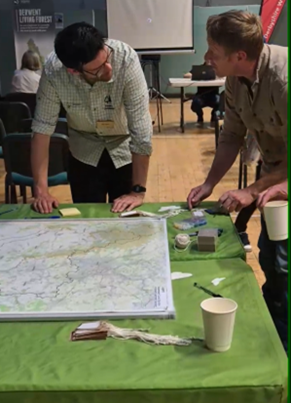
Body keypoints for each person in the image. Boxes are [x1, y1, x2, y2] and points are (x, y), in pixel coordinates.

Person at [187, 11, 288, 351]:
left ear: (239, 56)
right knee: (271, 257)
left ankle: (282, 349)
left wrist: (252, 189)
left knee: (285, 263)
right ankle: (272, 333)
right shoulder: (235, 79)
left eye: (213, 52)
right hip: (276, 171)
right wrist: (209, 183)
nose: (206, 59)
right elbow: (231, 136)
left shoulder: (284, 79)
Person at [31, 22, 152, 214]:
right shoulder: (54, 70)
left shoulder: (125, 58)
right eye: (98, 69)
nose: (109, 69)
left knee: (125, 220)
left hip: (124, 149)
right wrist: (41, 191)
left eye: (106, 59)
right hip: (83, 152)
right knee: (87, 218)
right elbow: (42, 127)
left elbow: (141, 129)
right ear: (74, 71)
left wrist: (137, 191)